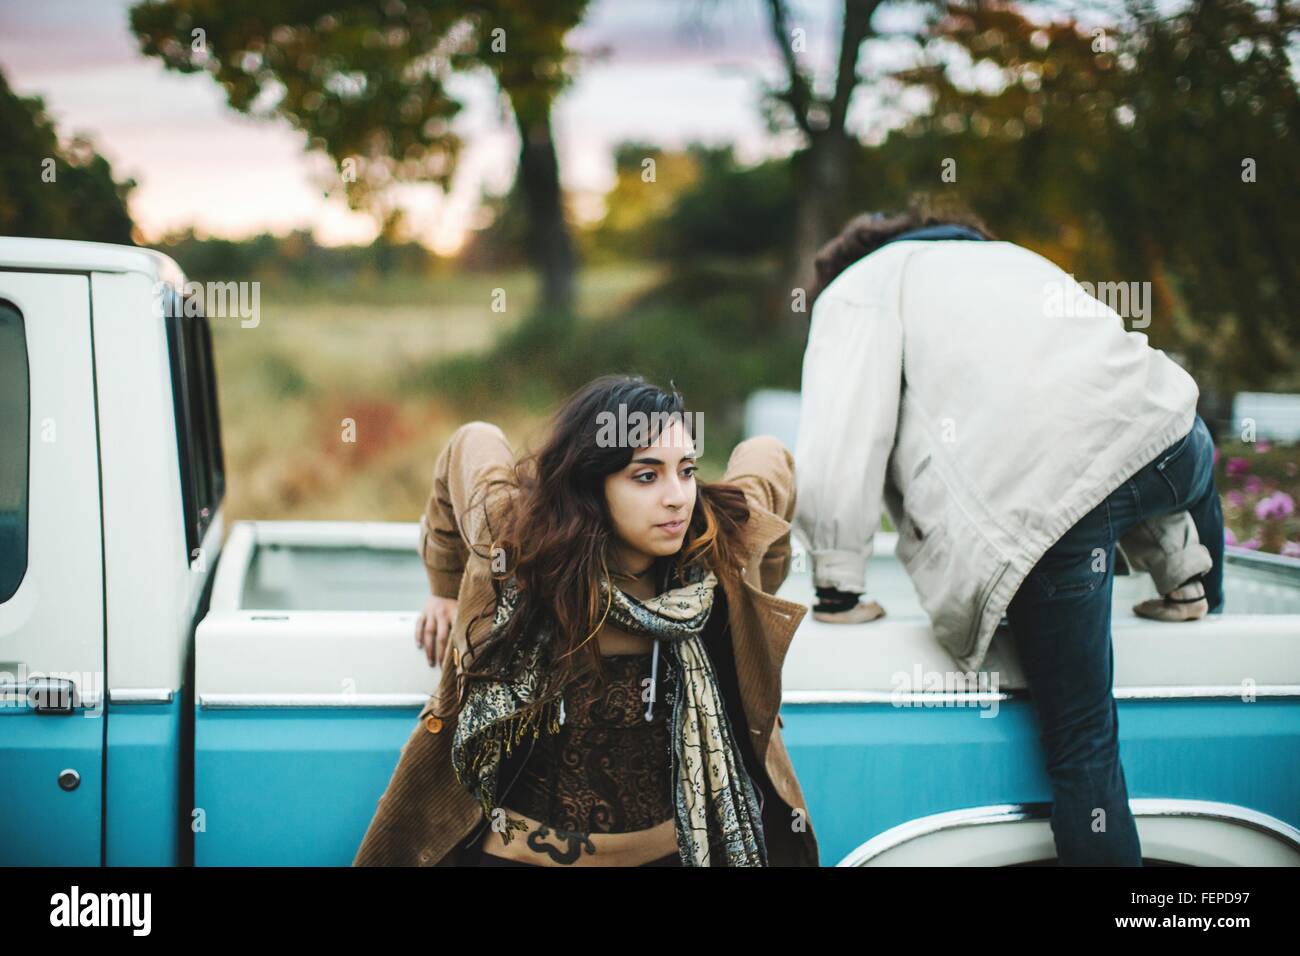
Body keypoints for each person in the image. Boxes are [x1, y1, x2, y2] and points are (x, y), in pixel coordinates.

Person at [793, 206, 1225, 866]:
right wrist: (1178, 561)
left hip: (1053, 508)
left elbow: (846, 431)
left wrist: (836, 582)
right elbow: (1103, 410)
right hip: (1177, 443)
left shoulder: (858, 286)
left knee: (1083, 748)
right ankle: (1194, 590)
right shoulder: (1009, 258)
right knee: (1170, 445)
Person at [353, 374, 819, 867]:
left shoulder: (715, 550)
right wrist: (445, 588)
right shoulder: (515, 543)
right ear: (590, 485)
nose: (678, 497)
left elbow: (770, 457)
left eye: (686, 470)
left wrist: (750, 610)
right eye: (646, 476)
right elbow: (471, 440)